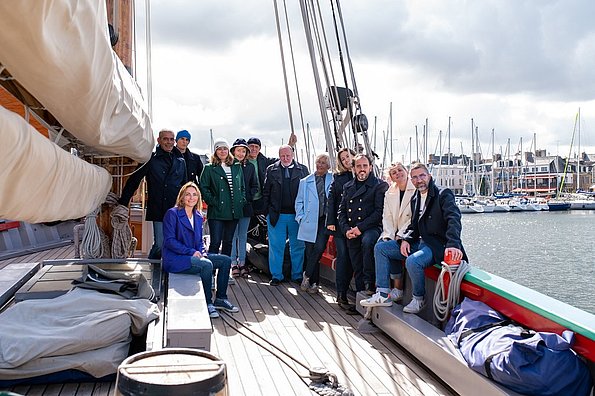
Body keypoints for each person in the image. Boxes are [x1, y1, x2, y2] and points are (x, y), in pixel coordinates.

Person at [371, 162, 465, 314]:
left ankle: (419, 299)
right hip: (417, 242)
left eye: (422, 175)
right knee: (381, 248)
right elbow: (414, 225)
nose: (419, 180)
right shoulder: (416, 197)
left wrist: (453, 243)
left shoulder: (443, 193)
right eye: (415, 177)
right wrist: (405, 239)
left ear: (429, 176)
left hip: (435, 244)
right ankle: (382, 294)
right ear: (411, 179)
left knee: (413, 261)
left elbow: (453, 219)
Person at [161, 182, 239, 318]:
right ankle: (208, 303)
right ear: (182, 197)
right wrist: (192, 252)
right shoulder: (172, 214)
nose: (191, 198)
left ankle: (220, 298)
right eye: (188, 195)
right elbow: (169, 241)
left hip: (194, 255)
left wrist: (202, 253)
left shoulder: (198, 216)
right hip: (175, 259)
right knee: (206, 265)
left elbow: (199, 241)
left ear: (198, 197)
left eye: (194, 194)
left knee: (225, 260)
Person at [119, 129, 187, 259]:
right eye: (165, 139)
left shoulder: (180, 161)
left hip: (176, 209)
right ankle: (153, 266)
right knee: (160, 244)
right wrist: (123, 202)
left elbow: (185, 187)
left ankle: (167, 274)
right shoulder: (150, 159)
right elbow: (134, 180)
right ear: (159, 140)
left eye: (171, 139)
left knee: (174, 244)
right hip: (158, 207)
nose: (169, 142)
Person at [360, 162, 416, 308]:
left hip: (411, 235)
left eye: (400, 170)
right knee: (383, 244)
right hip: (396, 233)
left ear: (406, 171)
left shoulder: (415, 190)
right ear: (391, 177)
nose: (398, 173)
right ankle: (395, 289)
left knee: (382, 249)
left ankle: (384, 292)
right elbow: (387, 217)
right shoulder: (390, 193)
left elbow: (414, 218)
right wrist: (390, 235)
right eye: (394, 172)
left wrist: (401, 235)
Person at [338, 154, 388, 294]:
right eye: (358, 166)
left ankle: (369, 285)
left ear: (370, 168)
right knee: (356, 261)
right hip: (352, 230)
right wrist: (346, 229)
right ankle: (361, 293)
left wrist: (360, 228)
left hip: (371, 228)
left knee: (367, 242)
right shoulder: (348, 187)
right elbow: (341, 211)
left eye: (365, 166)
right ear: (353, 168)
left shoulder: (379, 186)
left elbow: (379, 212)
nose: (362, 169)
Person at [262, 144, 309, 285]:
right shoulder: (271, 170)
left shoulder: (303, 170)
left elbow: (308, 193)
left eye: (288, 155)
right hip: (277, 215)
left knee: (298, 247)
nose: (285, 158)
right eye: (282, 156)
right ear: (279, 156)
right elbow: (266, 192)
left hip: (297, 216)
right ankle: (276, 275)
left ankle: (297, 275)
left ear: (293, 155)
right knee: (276, 247)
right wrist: (267, 213)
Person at [199, 138, 245, 256]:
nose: (222, 151)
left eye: (225, 149)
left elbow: (242, 186)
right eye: (219, 149)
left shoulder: (236, 166)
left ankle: (224, 271)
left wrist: (241, 200)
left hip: (234, 211)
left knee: (228, 242)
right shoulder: (209, 168)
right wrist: (214, 201)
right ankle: (211, 270)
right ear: (215, 152)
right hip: (217, 211)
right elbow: (203, 187)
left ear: (228, 150)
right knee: (215, 242)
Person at [295, 153, 332, 294]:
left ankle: (307, 275)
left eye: (323, 162)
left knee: (318, 248)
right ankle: (314, 283)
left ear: (328, 165)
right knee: (310, 251)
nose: (320, 165)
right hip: (309, 219)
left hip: (325, 220)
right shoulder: (305, 181)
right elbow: (299, 201)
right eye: (318, 162)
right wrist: (300, 217)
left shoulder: (332, 179)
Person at [326, 148, 356, 309]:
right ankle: (341, 293)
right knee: (343, 256)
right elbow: (332, 200)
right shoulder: (338, 179)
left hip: (357, 226)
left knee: (356, 258)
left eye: (348, 156)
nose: (346, 160)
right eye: (343, 158)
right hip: (340, 225)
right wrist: (331, 221)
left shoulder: (362, 175)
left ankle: (360, 293)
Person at [247, 133, 297, 215]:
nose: (254, 149)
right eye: (251, 146)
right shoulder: (242, 162)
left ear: (259, 149)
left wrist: (290, 145)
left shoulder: (264, 161)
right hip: (247, 200)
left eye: (256, 147)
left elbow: (283, 159)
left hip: (260, 199)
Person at [230, 138, 258, 277]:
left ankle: (242, 262)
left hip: (246, 206)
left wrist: (248, 197)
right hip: (231, 207)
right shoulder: (229, 166)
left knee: (242, 236)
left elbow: (255, 186)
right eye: (238, 150)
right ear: (233, 151)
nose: (240, 153)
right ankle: (233, 263)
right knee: (232, 235)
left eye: (243, 151)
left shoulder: (251, 167)